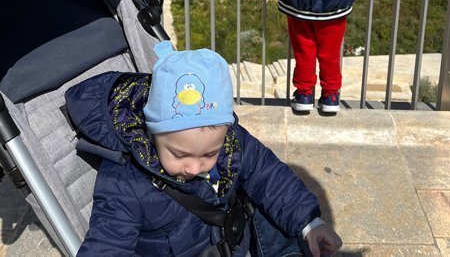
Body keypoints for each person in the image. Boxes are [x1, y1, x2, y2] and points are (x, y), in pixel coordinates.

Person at [65, 41, 343, 256]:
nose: (195, 167)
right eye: (179, 154)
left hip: (233, 237)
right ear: (152, 134)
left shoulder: (232, 141)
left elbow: (270, 175)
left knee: (276, 210)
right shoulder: (125, 184)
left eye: (209, 154)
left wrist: (310, 224)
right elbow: (108, 243)